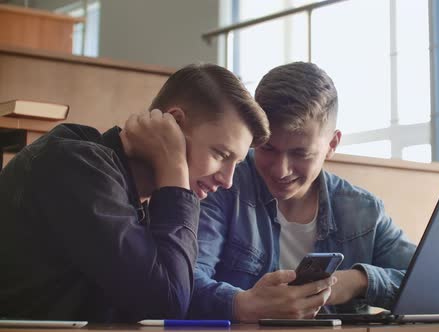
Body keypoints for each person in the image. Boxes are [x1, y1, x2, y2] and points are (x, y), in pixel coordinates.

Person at [0, 64, 270, 322]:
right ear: (174, 124)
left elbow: (175, 293)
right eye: (221, 154)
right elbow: (167, 304)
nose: (228, 180)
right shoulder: (77, 165)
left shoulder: (131, 192)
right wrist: (174, 168)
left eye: (236, 163)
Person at [189, 62, 416, 322]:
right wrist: (240, 305)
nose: (281, 170)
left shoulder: (363, 211)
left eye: (300, 153)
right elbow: (183, 281)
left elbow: (432, 280)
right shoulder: (222, 187)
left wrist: (358, 281)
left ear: (332, 144)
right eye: (267, 148)